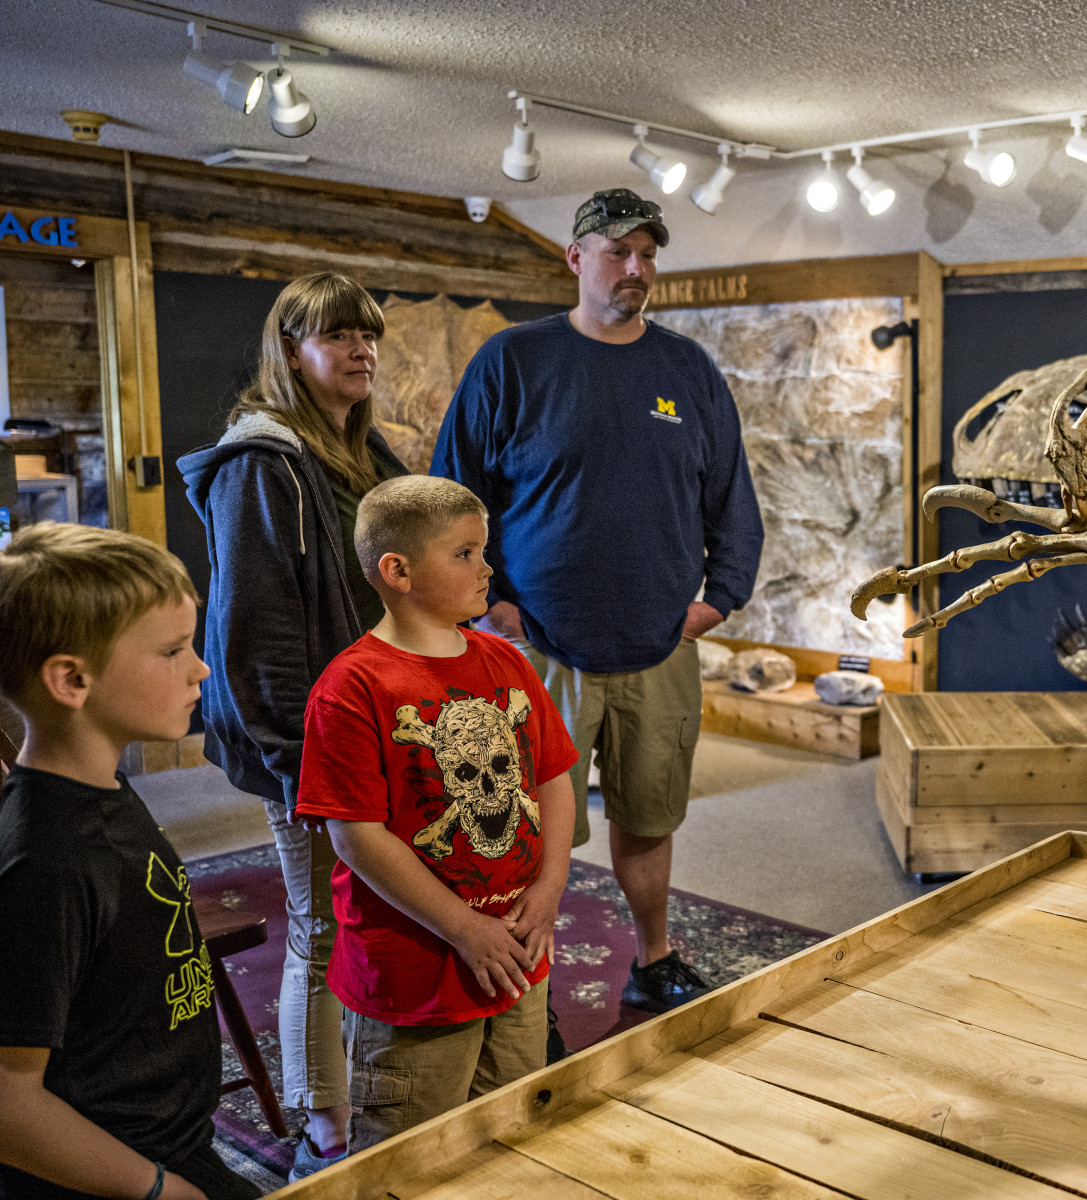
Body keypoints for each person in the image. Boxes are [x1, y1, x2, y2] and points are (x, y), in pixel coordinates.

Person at [432, 189, 763, 1014]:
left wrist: (719, 599)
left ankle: (654, 958)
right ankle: (524, 990)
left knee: (650, 817)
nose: (637, 269)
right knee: (525, 834)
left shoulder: (687, 369)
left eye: (648, 253)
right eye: (618, 252)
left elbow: (732, 498)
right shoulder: (512, 362)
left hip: (660, 643)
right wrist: (489, 608)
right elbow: (449, 496)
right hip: (536, 645)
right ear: (576, 259)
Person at [177, 272, 408, 1180]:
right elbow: (255, 637)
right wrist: (294, 768)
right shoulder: (260, 464)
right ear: (289, 350)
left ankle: (376, 1087)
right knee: (321, 930)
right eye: (339, 335)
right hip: (309, 746)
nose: (363, 351)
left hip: (381, 729)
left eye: (370, 336)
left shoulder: (363, 454)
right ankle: (324, 1122)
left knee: (376, 915)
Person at [295, 476, 576, 1147]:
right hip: (416, 980)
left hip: (518, 956)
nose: (487, 568)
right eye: (466, 553)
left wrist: (550, 885)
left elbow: (555, 779)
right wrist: (461, 927)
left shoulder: (506, 662)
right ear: (396, 570)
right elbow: (356, 836)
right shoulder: (352, 686)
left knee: (513, 1135)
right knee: (416, 1152)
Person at [0, 523, 259, 1200]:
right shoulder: (47, 861)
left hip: (177, 1145)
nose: (200, 667)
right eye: (172, 651)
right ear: (72, 679)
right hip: (114, 1177)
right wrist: (157, 1189)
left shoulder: (104, 790)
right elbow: (8, 1103)